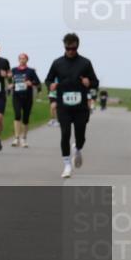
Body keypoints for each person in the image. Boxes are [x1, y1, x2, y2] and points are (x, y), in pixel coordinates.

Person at [45, 33, 99, 178]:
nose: (70, 51)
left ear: (77, 47)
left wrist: (89, 83)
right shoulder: (57, 63)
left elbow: (95, 82)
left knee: (80, 135)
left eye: (73, 48)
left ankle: (78, 148)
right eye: (68, 48)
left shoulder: (85, 63)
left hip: (81, 106)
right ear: (64, 47)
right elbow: (48, 79)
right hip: (64, 106)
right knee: (65, 134)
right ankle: (67, 164)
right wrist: (51, 85)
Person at [9, 52, 41, 148]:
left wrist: (31, 83)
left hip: (27, 97)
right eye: (20, 58)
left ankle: (24, 138)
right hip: (17, 96)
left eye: (24, 58)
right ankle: (16, 138)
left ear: (27, 60)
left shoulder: (31, 71)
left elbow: (37, 82)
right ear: (18, 60)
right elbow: (10, 81)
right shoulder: (14, 70)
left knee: (26, 118)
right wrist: (10, 85)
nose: (22, 60)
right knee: (17, 115)